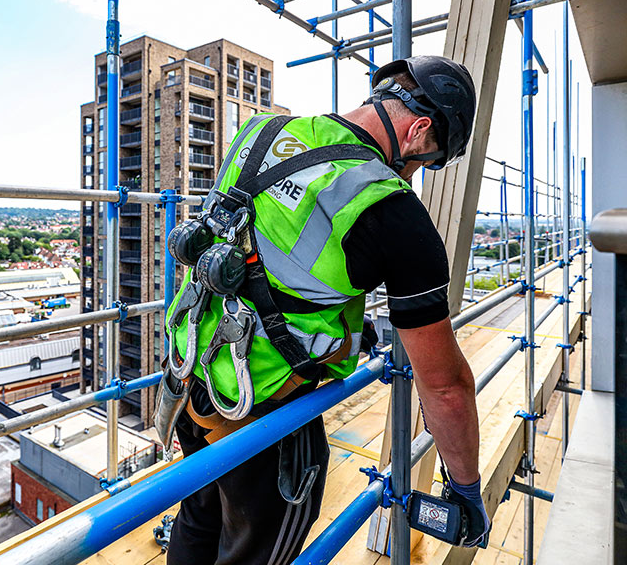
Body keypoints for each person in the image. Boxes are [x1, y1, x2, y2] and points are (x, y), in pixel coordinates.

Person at [163, 55, 489, 565]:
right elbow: (445, 385)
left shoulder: (260, 132)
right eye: (427, 160)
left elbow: (268, 258)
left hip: (190, 373)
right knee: (258, 551)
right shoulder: (392, 209)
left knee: (199, 516)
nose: (418, 173)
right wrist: (466, 488)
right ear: (419, 129)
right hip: (263, 411)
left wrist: (347, 333)